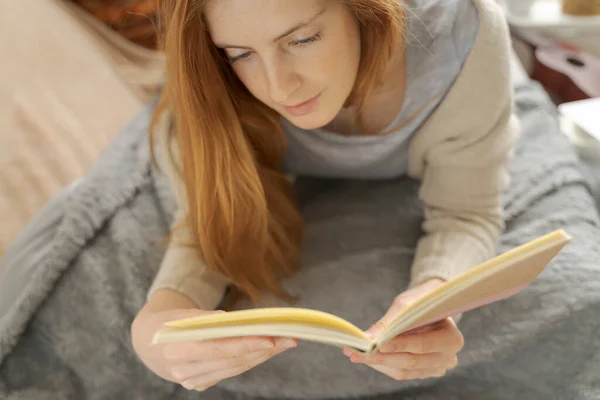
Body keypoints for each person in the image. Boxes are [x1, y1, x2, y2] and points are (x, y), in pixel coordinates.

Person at [131, 0, 520, 392]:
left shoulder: (464, 37)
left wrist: (436, 297)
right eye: (240, 54)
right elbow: (211, 216)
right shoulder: (208, 81)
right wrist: (157, 322)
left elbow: (467, 212)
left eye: (302, 39)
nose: (278, 86)